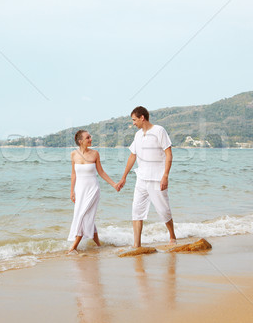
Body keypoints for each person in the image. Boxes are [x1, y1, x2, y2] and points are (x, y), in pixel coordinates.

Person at [117, 106, 177, 248]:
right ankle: (136, 244)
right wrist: (123, 177)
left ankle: (172, 237)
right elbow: (133, 156)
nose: (133, 123)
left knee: (163, 210)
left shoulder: (159, 131)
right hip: (141, 178)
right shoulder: (138, 135)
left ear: (142, 117)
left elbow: (169, 154)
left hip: (157, 178)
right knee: (136, 211)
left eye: (134, 120)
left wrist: (165, 176)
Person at [68, 130, 119, 254]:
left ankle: (73, 247)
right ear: (80, 141)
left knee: (83, 216)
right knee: (87, 216)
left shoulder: (95, 154)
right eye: (87, 138)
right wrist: (72, 191)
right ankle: (98, 244)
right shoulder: (74, 154)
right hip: (80, 190)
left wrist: (114, 184)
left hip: (93, 189)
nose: (90, 139)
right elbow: (74, 174)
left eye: (90, 137)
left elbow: (101, 172)